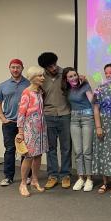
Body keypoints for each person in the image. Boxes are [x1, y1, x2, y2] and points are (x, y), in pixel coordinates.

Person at [38, 52, 72, 189]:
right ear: (45, 68)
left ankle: (65, 175)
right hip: (48, 115)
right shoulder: (41, 78)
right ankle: (52, 176)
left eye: (54, 64)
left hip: (65, 114)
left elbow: (77, 83)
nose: (54, 68)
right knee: (51, 148)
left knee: (66, 147)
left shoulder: (65, 74)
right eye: (50, 67)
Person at [0, 59, 30, 186]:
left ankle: (27, 176)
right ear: (9, 68)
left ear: (22, 68)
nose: (15, 70)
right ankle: (8, 177)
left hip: (26, 123)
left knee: (26, 150)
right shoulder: (2, 86)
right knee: (10, 149)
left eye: (18, 67)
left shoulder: (29, 84)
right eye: (13, 67)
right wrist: (3, 119)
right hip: (9, 123)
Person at [62, 67, 97, 192]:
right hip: (74, 119)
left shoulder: (85, 86)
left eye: (75, 75)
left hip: (87, 118)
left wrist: (91, 88)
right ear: (66, 79)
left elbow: (92, 100)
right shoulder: (67, 89)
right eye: (70, 76)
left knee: (87, 150)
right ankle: (81, 177)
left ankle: (89, 178)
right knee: (78, 151)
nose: (73, 78)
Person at [16, 66, 48, 197]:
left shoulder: (40, 91)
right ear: (33, 78)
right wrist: (20, 132)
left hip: (41, 129)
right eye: (40, 76)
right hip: (30, 129)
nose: (43, 78)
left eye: (43, 75)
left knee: (38, 155)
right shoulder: (26, 92)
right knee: (28, 156)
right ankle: (23, 183)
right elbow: (21, 113)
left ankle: (35, 180)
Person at [92, 63, 111, 194]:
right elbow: (96, 108)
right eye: (106, 73)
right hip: (104, 123)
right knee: (103, 151)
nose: (108, 75)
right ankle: (105, 182)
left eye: (110, 72)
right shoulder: (100, 88)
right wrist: (98, 127)